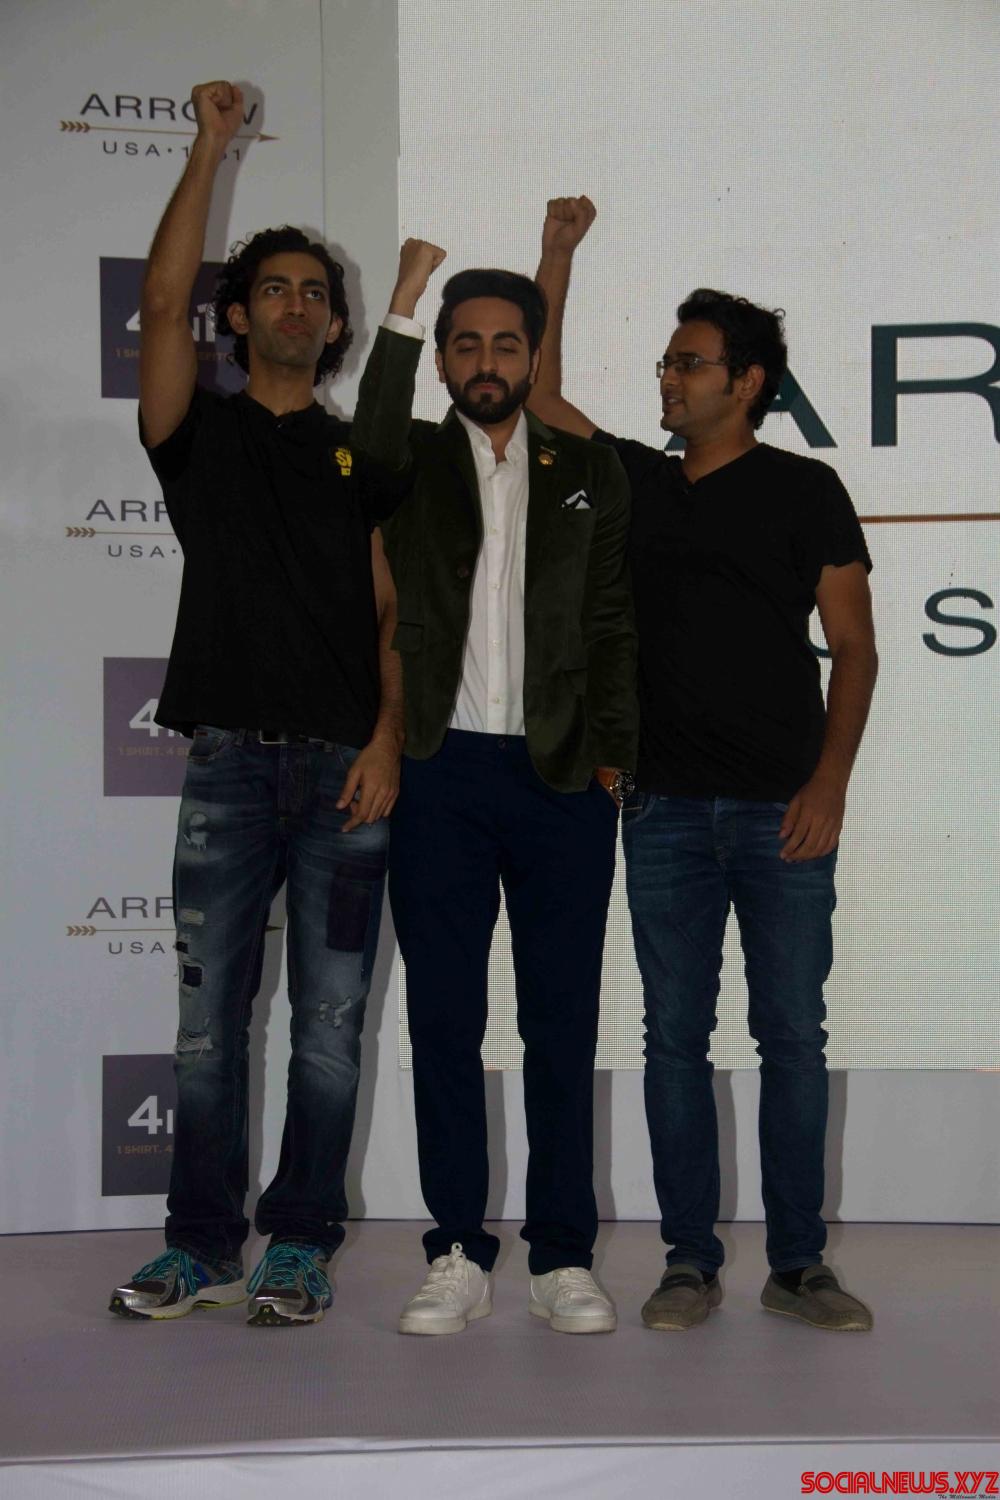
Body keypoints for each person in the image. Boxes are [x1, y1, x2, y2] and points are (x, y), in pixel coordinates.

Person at [109, 79, 443, 1327]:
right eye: (275, 289)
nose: (297, 303)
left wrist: (388, 738)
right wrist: (211, 144)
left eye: (316, 291)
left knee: (331, 1028)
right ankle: (199, 1247)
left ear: (336, 323)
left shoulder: (365, 459)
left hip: (348, 775)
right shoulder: (196, 436)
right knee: (207, 1027)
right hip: (229, 772)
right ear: (240, 316)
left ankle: (297, 1243)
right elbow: (159, 304)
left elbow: (392, 616)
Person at [530, 197, 878, 1332]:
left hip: (785, 812)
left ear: (749, 381)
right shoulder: (637, 479)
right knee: (673, 1040)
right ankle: (687, 1261)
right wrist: (556, 257)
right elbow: (539, 395)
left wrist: (828, 785)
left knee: (793, 1039)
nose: (669, 379)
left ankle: (799, 1265)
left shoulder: (805, 490)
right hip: (666, 812)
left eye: (689, 364)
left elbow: (856, 648)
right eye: (666, 363)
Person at [364, 268, 637, 1335]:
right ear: (442, 361)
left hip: (562, 778)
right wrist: (402, 302)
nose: (486, 362)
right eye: (465, 344)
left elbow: (612, 616)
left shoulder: (587, 467)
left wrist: (612, 754)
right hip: (439, 771)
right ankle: (454, 1249)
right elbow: (371, 434)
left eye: (506, 344)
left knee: (561, 1020)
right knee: (444, 1016)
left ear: (532, 357)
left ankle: (561, 1255)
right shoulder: (408, 459)